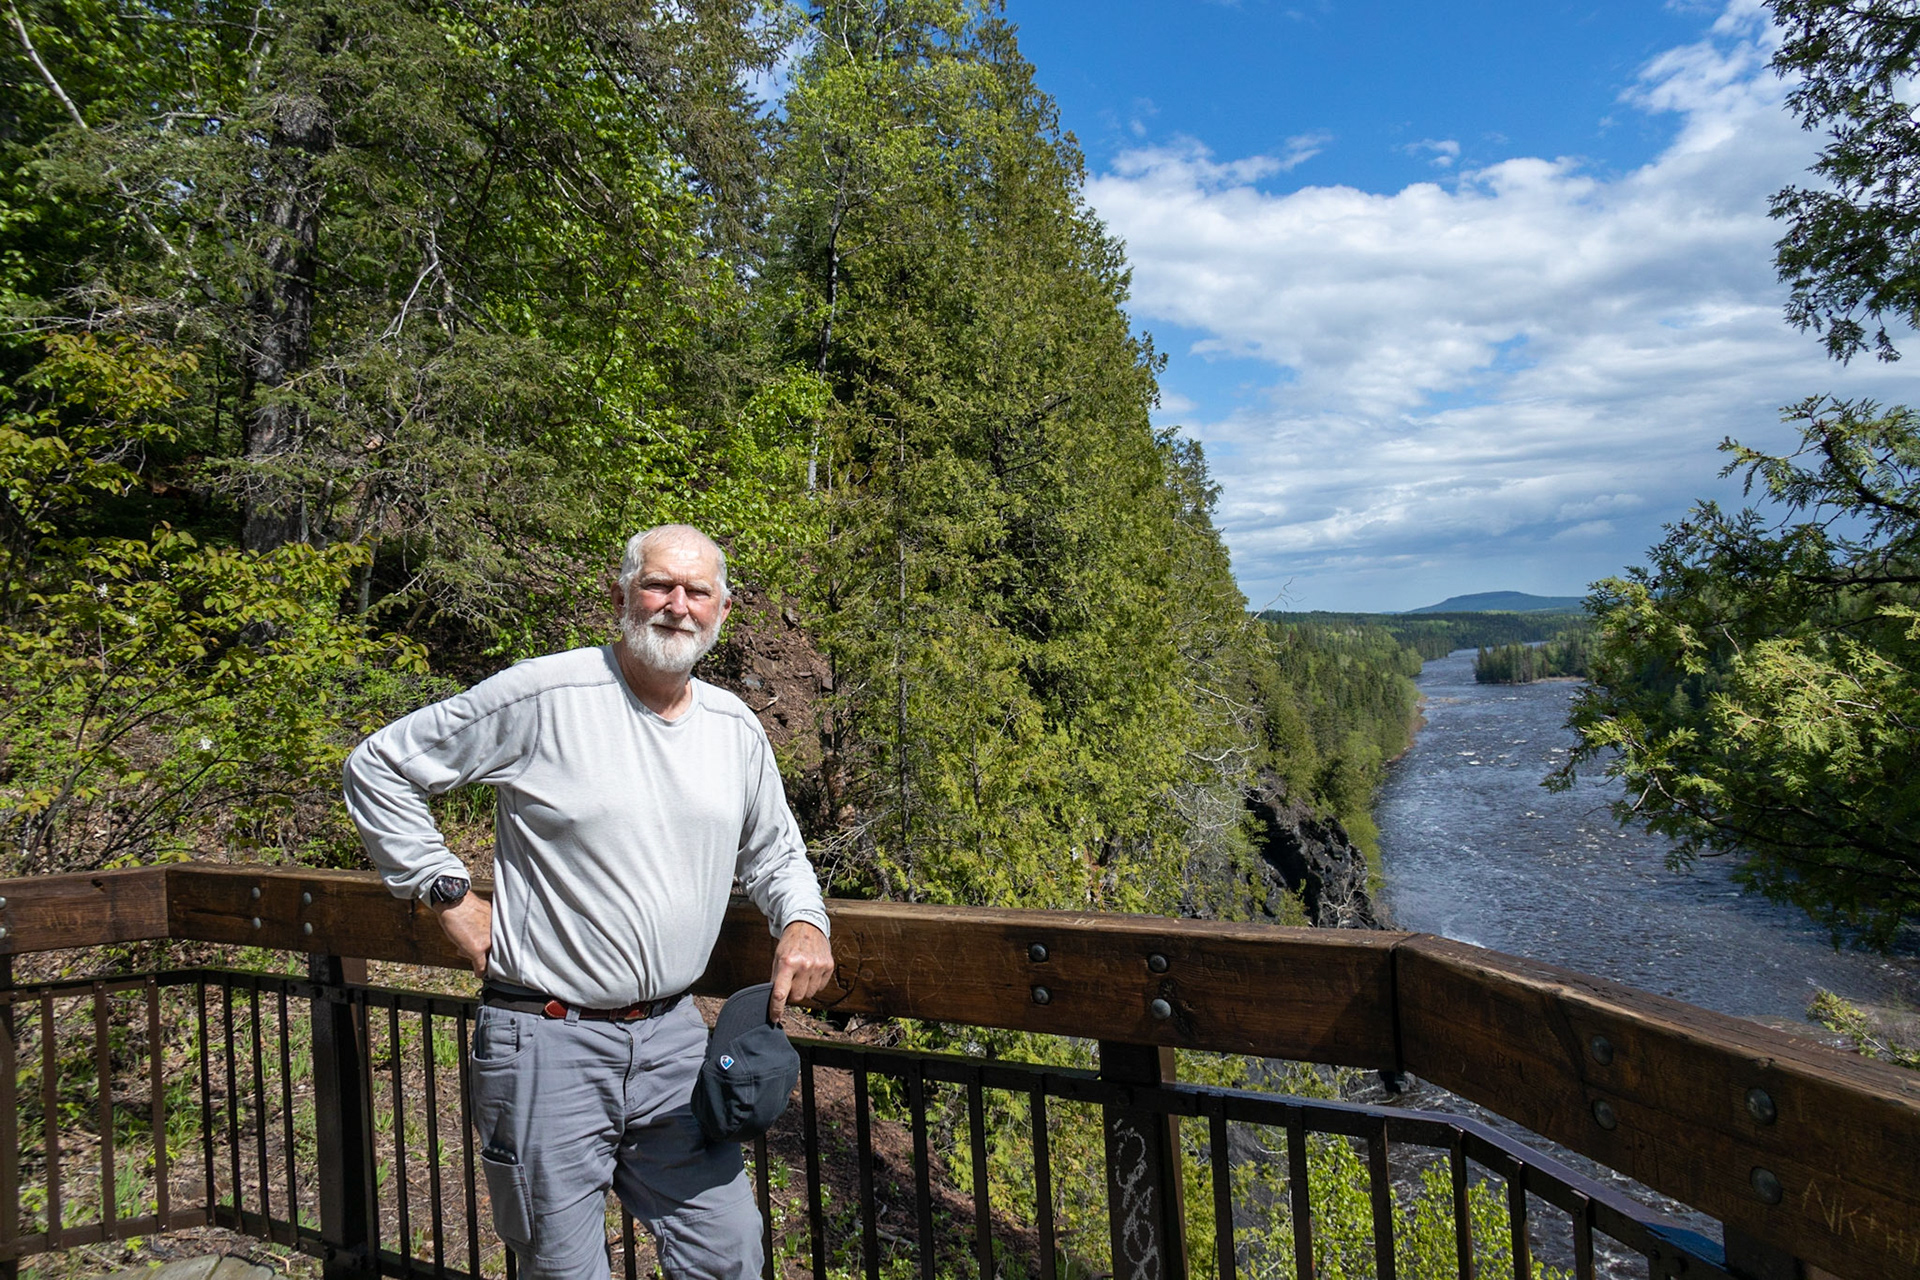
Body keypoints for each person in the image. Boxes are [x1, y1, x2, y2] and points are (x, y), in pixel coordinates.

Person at [343, 523, 834, 1280]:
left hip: (675, 1042)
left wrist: (803, 919)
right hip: (546, 1041)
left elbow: (774, 852)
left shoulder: (733, 728)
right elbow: (380, 767)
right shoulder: (547, 695)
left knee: (728, 1247)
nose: (677, 605)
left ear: (723, 609)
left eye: (697, 591)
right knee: (561, 1268)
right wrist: (446, 893)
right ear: (621, 594)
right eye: (658, 585)